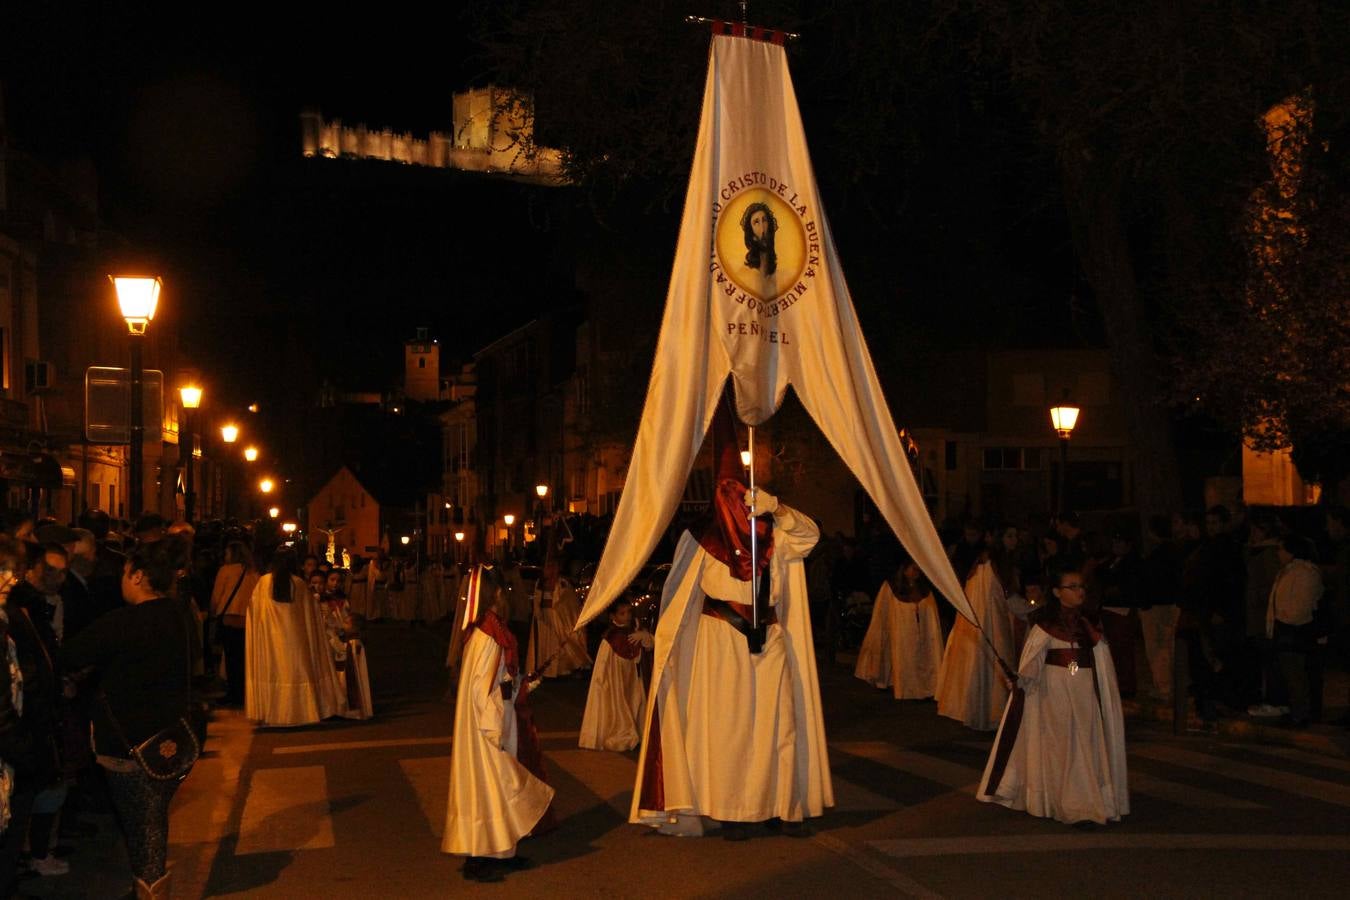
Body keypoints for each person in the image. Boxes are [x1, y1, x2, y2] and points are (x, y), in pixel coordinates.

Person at [630, 396, 829, 839]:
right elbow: (678, 596)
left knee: (777, 725)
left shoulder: (775, 533)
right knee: (730, 732)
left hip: (769, 638)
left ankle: (777, 805)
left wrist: (777, 509)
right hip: (721, 644)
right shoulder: (701, 542)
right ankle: (732, 808)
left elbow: (812, 536)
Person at [60, 536, 196, 898]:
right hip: (172, 742)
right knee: (151, 823)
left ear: (137, 576)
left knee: (144, 829)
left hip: (128, 746)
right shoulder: (177, 615)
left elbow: (71, 654)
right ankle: (146, 885)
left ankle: (150, 891)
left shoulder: (124, 622)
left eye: (125, 571)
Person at [977, 568, 1129, 825]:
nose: (1079, 591)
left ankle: (1085, 802)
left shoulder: (1091, 625)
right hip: (1055, 697)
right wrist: (1020, 678)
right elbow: (1033, 662)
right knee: (1061, 749)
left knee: (1086, 744)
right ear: (1058, 593)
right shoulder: (1046, 626)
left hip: (1085, 697)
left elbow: (1103, 667)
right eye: (1072, 586)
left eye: (1081, 586)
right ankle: (1062, 802)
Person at [443, 566, 554, 882]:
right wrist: (500, 717)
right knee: (490, 786)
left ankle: (503, 851)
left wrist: (521, 683)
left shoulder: (490, 631)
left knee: (498, 787)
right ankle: (476, 859)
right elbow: (483, 690)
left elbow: (495, 680)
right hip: (488, 725)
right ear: (493, 595)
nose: (506, 596)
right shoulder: (487, 636)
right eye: (503, 591)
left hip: (496, 717)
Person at [244, 548, 345, 726]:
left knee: (274, 671)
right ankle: (300, 711)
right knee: (297, 671)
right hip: (295, 641)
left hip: (270, 640)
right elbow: (311, 616)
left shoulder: (263, 583)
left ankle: (273, 712)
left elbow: (254, 614)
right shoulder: (298, 584)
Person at [935, 551, 1016, 731]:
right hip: (983, 629)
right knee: (979, 666)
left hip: (990, 628)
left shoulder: (988, 569)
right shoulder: (984, 570)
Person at [854, 558, 944, 699]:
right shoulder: (891, 587)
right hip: (899, 631)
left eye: (919, 570)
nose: (916, 574)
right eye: (914, 570)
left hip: (920, 632)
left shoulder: (924, 588)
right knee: (902, 655)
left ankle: (924, 688)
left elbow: (930, 612)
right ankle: (900, 685)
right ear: (905, 569)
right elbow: (882, 612)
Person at [1265, 535, 1323, 727]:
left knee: (1296, 674)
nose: (1278, 553)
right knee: (1290, 673)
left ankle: (1301, 714)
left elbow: (1301, 606)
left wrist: (1285, 617)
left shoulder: (1304, 572)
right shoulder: (1289, 572)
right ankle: (1297, 711)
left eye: (1281, 549)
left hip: (1295, 630)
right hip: (1285, 629)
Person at [579, 600, 651, 751]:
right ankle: (623, 733)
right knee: (619, 705)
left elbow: (649, 647)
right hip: (615, 680)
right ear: (613, 616)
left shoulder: (635, 629)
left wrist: (645, 637)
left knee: (635, 701)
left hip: (633, 677)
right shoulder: (610, 638)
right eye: (622, 613)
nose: (627, 617)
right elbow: (603, 665)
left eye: (629, 612)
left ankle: (636, 731)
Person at [209, 541, 258, 708]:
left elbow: (217, 595)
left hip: (229, 616)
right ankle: (244, 692)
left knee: (231, 657)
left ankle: (233, 694)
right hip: (247, 618)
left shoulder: (225, 570)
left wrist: (213, 612)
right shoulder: (253, 573)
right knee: (244, 657)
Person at [525, 561, 591, 679]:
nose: (550, 570)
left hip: (558, 618)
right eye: (548, 567)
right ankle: (545, 671)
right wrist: (539, 613)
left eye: (553, 567)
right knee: (546, 645)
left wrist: (558, 607)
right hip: (544, 618)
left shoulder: (563, 583)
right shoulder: (540, 583)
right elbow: (537, 600)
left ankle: (564, 670)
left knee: (561, 644)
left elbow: (569, 601)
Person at [321, 570, 372, 719]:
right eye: (332, 579)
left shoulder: (343, 600)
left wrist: (346, 627)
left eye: (339, 580)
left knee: (345, 674)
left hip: (342, 637)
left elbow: (348, 617)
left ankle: (345, 706)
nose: (335, 583)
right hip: (329, 638)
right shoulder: (322, 600)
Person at [1097, 532, 1142, 698]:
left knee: (1123, 648)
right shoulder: (1111, 562)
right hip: (1108, 608)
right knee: (1113, 648)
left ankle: (1127, 686)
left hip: (1122, 609)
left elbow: (1128, 585)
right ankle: (1116, 683)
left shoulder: (1132, 563)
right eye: (1114, 542)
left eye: (1119, 542)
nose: (1115, 546)